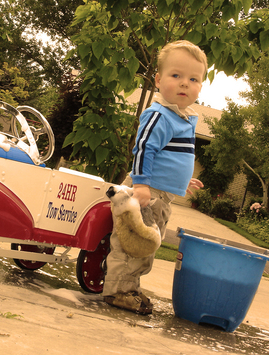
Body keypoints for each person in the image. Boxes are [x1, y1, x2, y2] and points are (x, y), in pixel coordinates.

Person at [102, 40, 207, 314]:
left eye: (193, 79)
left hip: (160, 195)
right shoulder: (160, 115)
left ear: (200, 86)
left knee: (146, 246)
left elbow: (169, 158)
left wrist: (181, 181)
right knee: (132, 244)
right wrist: (141, 185)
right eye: (176, 75)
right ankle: (119, 291)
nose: (184, 83)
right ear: (158, 80)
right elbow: (144, 149)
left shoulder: (181, 118)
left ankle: (130, 288)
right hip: (146, 194)